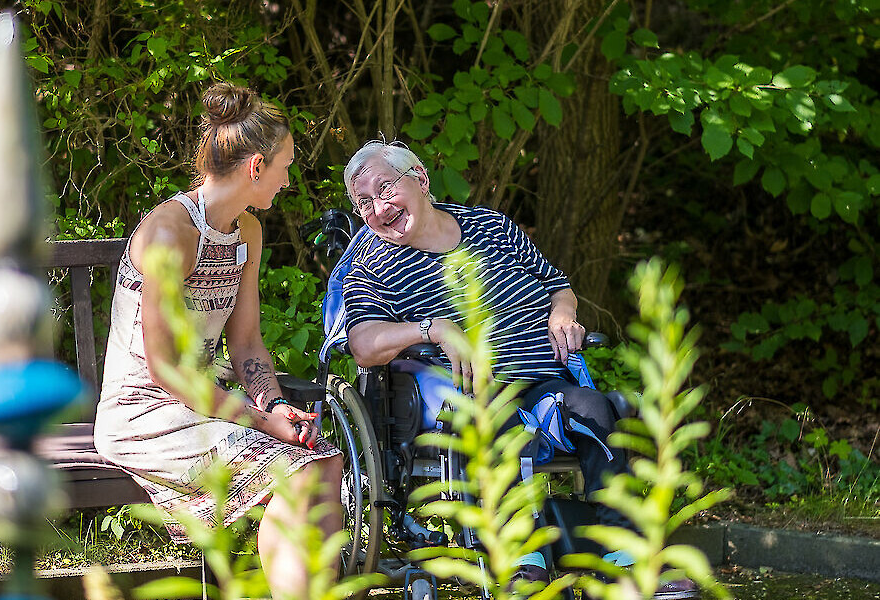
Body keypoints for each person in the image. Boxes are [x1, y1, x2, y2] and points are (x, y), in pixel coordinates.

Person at [339, 140, 698, 599]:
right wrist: (432, 328)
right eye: (363, 202)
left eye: (386, 189)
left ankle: (624, 558)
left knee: (595, 410)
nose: (378, 208)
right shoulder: (370, 264)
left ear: (421, 180)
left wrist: (563, 314)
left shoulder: (489, 226)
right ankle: (526, 563)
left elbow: (556, 283)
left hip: (545, 382)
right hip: (475, 392)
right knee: (504, 424)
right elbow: (363, 344)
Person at [94, 82, 343, 600]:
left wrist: (275, 405)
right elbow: (164, 368)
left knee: (322, 461)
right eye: (285, 167)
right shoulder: (170, 233)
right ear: (256, 167)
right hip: (144, 413)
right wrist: (260, 421)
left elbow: (246, 341)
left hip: (202, 404)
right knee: (298, 473)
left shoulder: (246, 232)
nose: (288, 180)